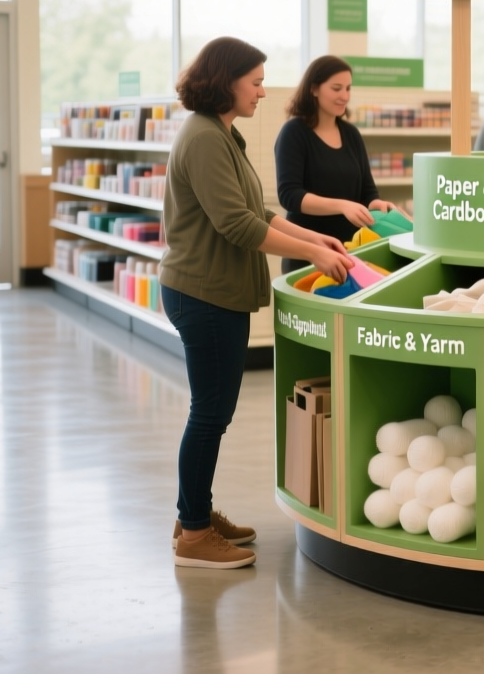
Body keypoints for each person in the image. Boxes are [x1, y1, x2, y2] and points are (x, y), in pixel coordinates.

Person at [161, 37, 352, 570]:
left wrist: (314, 239)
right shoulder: (204, 138)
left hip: (214, 292)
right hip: (204, 293)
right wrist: (313, 255)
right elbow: (236, 225)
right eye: (256, 82)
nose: (263, 93)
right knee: (209, 415)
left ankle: (193, 514)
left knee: (212, 413)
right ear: (226, 82)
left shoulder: (223, 133)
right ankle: (194, 535)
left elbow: (258, 211)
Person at [274, 55, 401, 273]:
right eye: (336, 88)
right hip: (308, 254)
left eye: (348, 88)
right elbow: (290, 196)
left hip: (351, 254)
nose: (345, 96)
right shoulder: (294, 133)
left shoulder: (351, 134)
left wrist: (377, 204)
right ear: (314, 89)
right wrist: (342, 206)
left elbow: (368, 192)